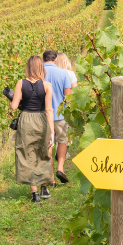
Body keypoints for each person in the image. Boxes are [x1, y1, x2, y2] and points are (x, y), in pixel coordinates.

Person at [9, 55, 55, 203]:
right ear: (41, 67)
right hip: (41, 119)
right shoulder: (47, 85)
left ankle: (34, 193)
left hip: (26, 120)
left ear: (28, 67)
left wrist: (12, 98)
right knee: (42, 152)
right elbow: (49, 110)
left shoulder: (20, 83)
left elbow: (14, 106)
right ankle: (44, 188)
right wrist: (52, 131)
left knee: (27, 153)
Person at [43, 49, 72, 185]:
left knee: (49, 143)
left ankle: (51, 178)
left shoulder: (39, 73)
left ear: (43, 60)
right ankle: (60, 168)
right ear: (55, 60)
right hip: (60, 115)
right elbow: (68, 97)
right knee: (62, 140)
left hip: (43, 115)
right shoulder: (64, 73)